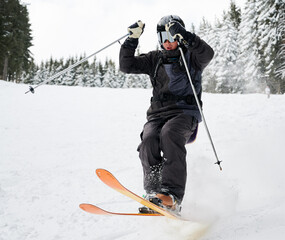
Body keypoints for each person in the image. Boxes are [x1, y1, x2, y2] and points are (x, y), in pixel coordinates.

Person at [119, 15, 214, 214]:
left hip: (185, 114)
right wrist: (131, 41)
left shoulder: (192, 57)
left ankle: (172, 195)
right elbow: (127, 66)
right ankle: (154, 192)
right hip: (158, 115)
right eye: (163, 38)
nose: (168, 43)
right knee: (149, 140)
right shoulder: (155, 59)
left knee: (169, 134)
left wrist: (188, 37)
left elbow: (208, 53)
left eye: (172, 37)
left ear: (179, 36)